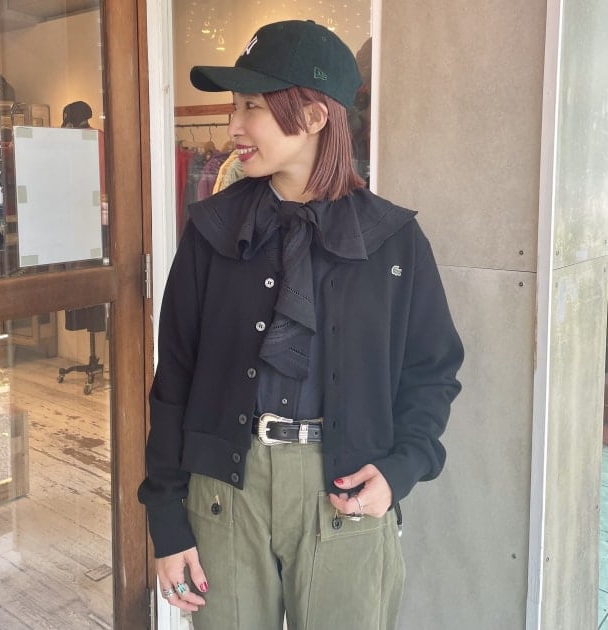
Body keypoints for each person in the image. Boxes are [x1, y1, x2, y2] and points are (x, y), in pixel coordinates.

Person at [138, 19, 464, 630]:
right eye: (234, 106)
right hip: (224, 493)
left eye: (252, 107)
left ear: (313, 117)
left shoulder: (394, 241)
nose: (233, 127)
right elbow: (175, 378)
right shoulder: (210, 230)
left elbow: (433, 373)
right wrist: (167, 518)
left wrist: (400, 470)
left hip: (345, 493)